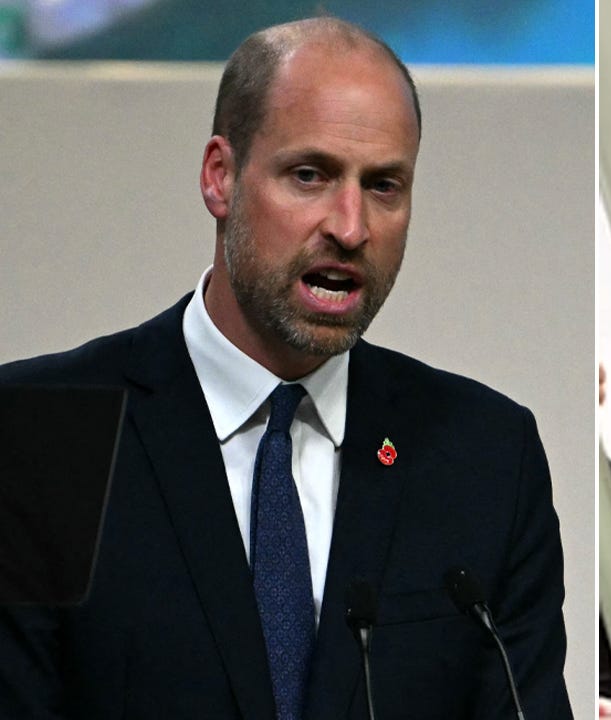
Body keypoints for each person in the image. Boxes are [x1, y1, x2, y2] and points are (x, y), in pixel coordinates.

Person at [0, 17, 570, 720]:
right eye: (310, 175)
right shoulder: (41, 435)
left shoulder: (485, 457)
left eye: (385, 185)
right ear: (220, 178)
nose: (351, 226)